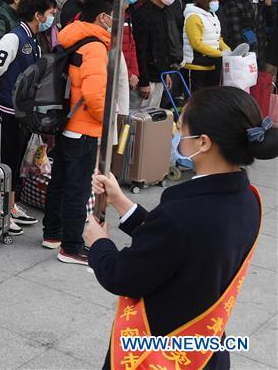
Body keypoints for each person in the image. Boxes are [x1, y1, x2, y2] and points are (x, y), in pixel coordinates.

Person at [85, 87, 275, 370]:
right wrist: (123, 203)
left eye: (181, 127)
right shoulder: (248, 199)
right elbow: (180, 247)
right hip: (205, 348)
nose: (177, 133)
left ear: (203, 142)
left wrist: (98, 242)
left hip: (159, 350)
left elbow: (122, 276)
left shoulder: (181, 214)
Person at [41, 0, 113, 265]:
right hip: (84, 124)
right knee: (78, 187)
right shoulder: (94, 46)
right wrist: (105, 122)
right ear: (103, 17)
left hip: (68, 120)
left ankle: (52, 233)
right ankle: (71, 246)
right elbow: (95, 94)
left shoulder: (73, 36)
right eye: (116, 17)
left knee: (60, 181)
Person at [0, 0, 58, 235]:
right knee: (8, 164)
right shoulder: (14, 37)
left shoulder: (33, 37)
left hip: (24, 112)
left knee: (19, 162)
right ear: (38, 14)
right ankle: (3, 210)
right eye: (51, 14)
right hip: (8, 111)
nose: (52, 18)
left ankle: (12, 206)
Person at [132, 0, 182, 109]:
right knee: (139, 116)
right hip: (147, 77)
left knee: (153, 115)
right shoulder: (143, 14)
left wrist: (165, 73)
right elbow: (140, 49)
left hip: (160, 74)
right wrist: (144, 81)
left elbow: (165, 44)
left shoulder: (164, 11)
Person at [182, 0, 230, 90]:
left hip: (211, 64)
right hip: (196, 65)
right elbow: (196, 43)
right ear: (206, 0)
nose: (217, 2)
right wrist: (220, 53)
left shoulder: (212, 15)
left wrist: (226, 49)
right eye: (215, 0)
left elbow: (217, 37)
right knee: (196, 99)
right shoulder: (193, 17)